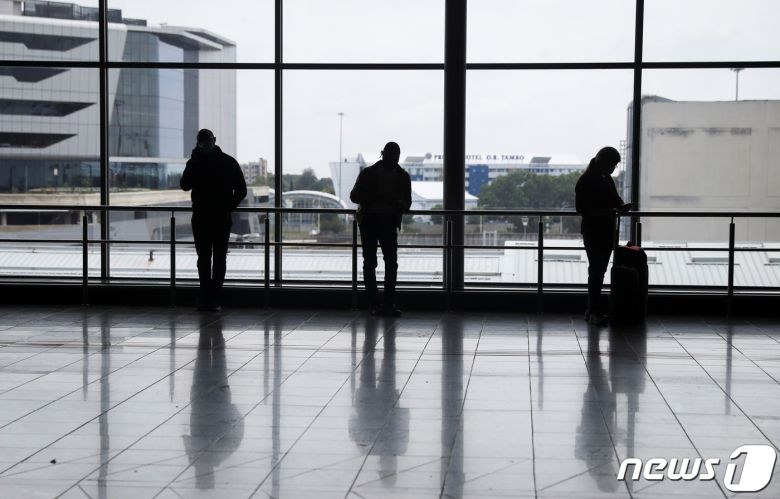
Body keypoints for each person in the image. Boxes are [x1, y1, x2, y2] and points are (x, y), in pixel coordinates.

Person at [180, 129, 247, 311]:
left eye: (205, 141)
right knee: (217, 259)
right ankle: (213, 298)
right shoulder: (228, 162)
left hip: (203, 217)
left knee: (205, 259)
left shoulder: (197, 162)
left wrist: (193, 162)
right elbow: (241, 190)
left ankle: (206, 297)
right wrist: (228, 207)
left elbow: (185, 185)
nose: (205, 144)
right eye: (203, 141)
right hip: (220, 218)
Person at [350, 141, 412, 316]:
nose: (393, 159)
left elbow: (355, 196)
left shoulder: (368, 173)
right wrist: (395, 202)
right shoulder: (402, 176)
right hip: (388, 221)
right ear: (385, 154)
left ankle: (375, 304)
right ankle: (388, 304)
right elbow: (407, 203)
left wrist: (372, 198)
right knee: (389, 263)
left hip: (369, 220)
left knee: (371, 262)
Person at [575, 146, 631, 326]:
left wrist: (619, 206)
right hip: (597, 230)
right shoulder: (591, 181)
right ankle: (593, 311)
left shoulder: (594, 179)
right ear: (602, 162)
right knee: (598, 271)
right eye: (612, 165)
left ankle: (592, 310)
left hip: (600, 230)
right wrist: (613, 209)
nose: (613, 169)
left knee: (598, 270)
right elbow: (583, 210)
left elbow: (614, 200)